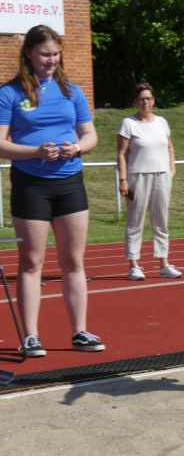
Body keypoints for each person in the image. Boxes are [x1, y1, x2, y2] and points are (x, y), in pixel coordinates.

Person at [0, 24, 105, 357]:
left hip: (69, 182)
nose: (51, 60)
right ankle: (31, 336)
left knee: (73, 261)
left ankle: (80, 331)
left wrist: (77, 147)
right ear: (29, 54)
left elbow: (90, 135)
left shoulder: (71, 91)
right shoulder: (9, 93)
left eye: (56, 54)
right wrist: (35, 152)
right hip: (30, 184)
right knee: (32, 262)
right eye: (45, 54)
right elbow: (0, 144)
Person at [117, 83, 182, 281]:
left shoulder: (162, 122)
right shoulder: (128, 123)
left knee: (161, 221)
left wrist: (171, 168)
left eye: (149, 98)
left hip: (162, 176)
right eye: (141, 99)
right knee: (135, 222)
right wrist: (123, 179)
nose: (145, 102)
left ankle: (164, 264)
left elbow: (169, 146)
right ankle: (134, 265)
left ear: (153, 100)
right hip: (138, 176)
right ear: (135, 102)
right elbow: (121, 153)